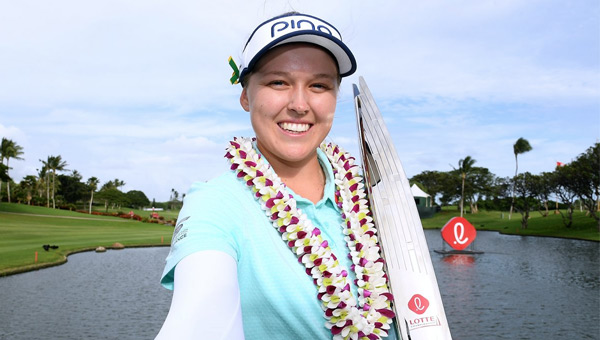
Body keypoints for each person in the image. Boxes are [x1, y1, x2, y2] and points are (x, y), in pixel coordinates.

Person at [156, 12, 398, 340]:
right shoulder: (215, 204)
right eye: (278, 82)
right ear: (245, 95)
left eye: (319, 85)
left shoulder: (371, 195)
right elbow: (200, 318)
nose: (300, 105)